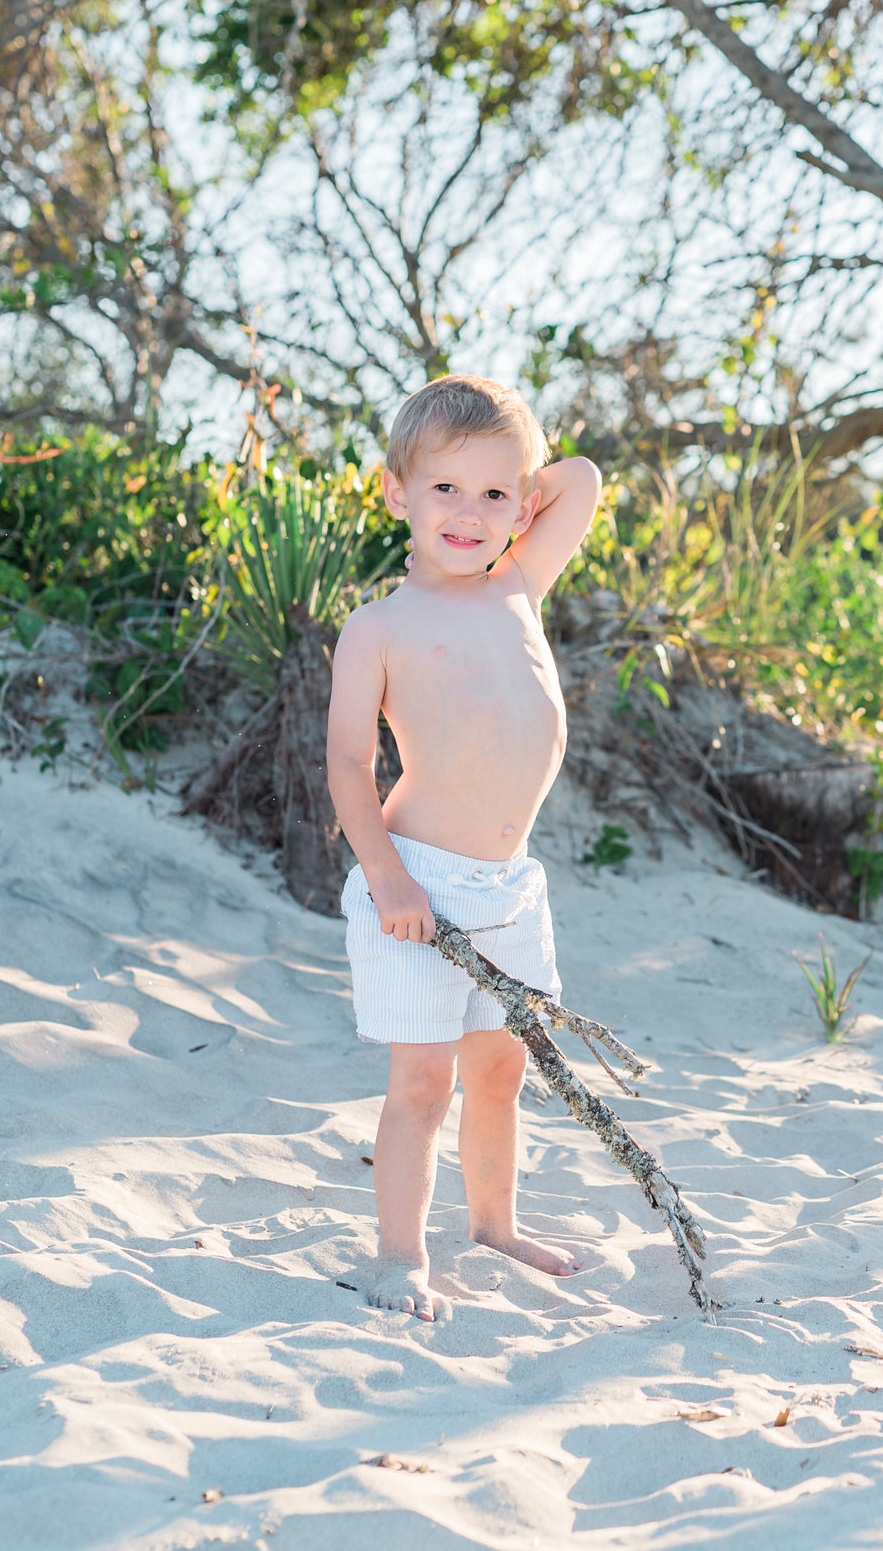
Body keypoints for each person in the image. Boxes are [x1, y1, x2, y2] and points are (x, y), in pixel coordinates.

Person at [326, 374, 602, 1321]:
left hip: (511, 888)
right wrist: (388, 876)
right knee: (423, 1081)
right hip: (420, 884)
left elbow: (587, 478)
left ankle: (494, 1223)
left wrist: (514, 476)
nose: (470, 513)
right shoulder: (380, 627)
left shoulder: (519, 582)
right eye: (444, 488)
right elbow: (348, 768)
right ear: (395, 492)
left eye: (495, 495)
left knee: (501, 1069)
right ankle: (401, 1254)